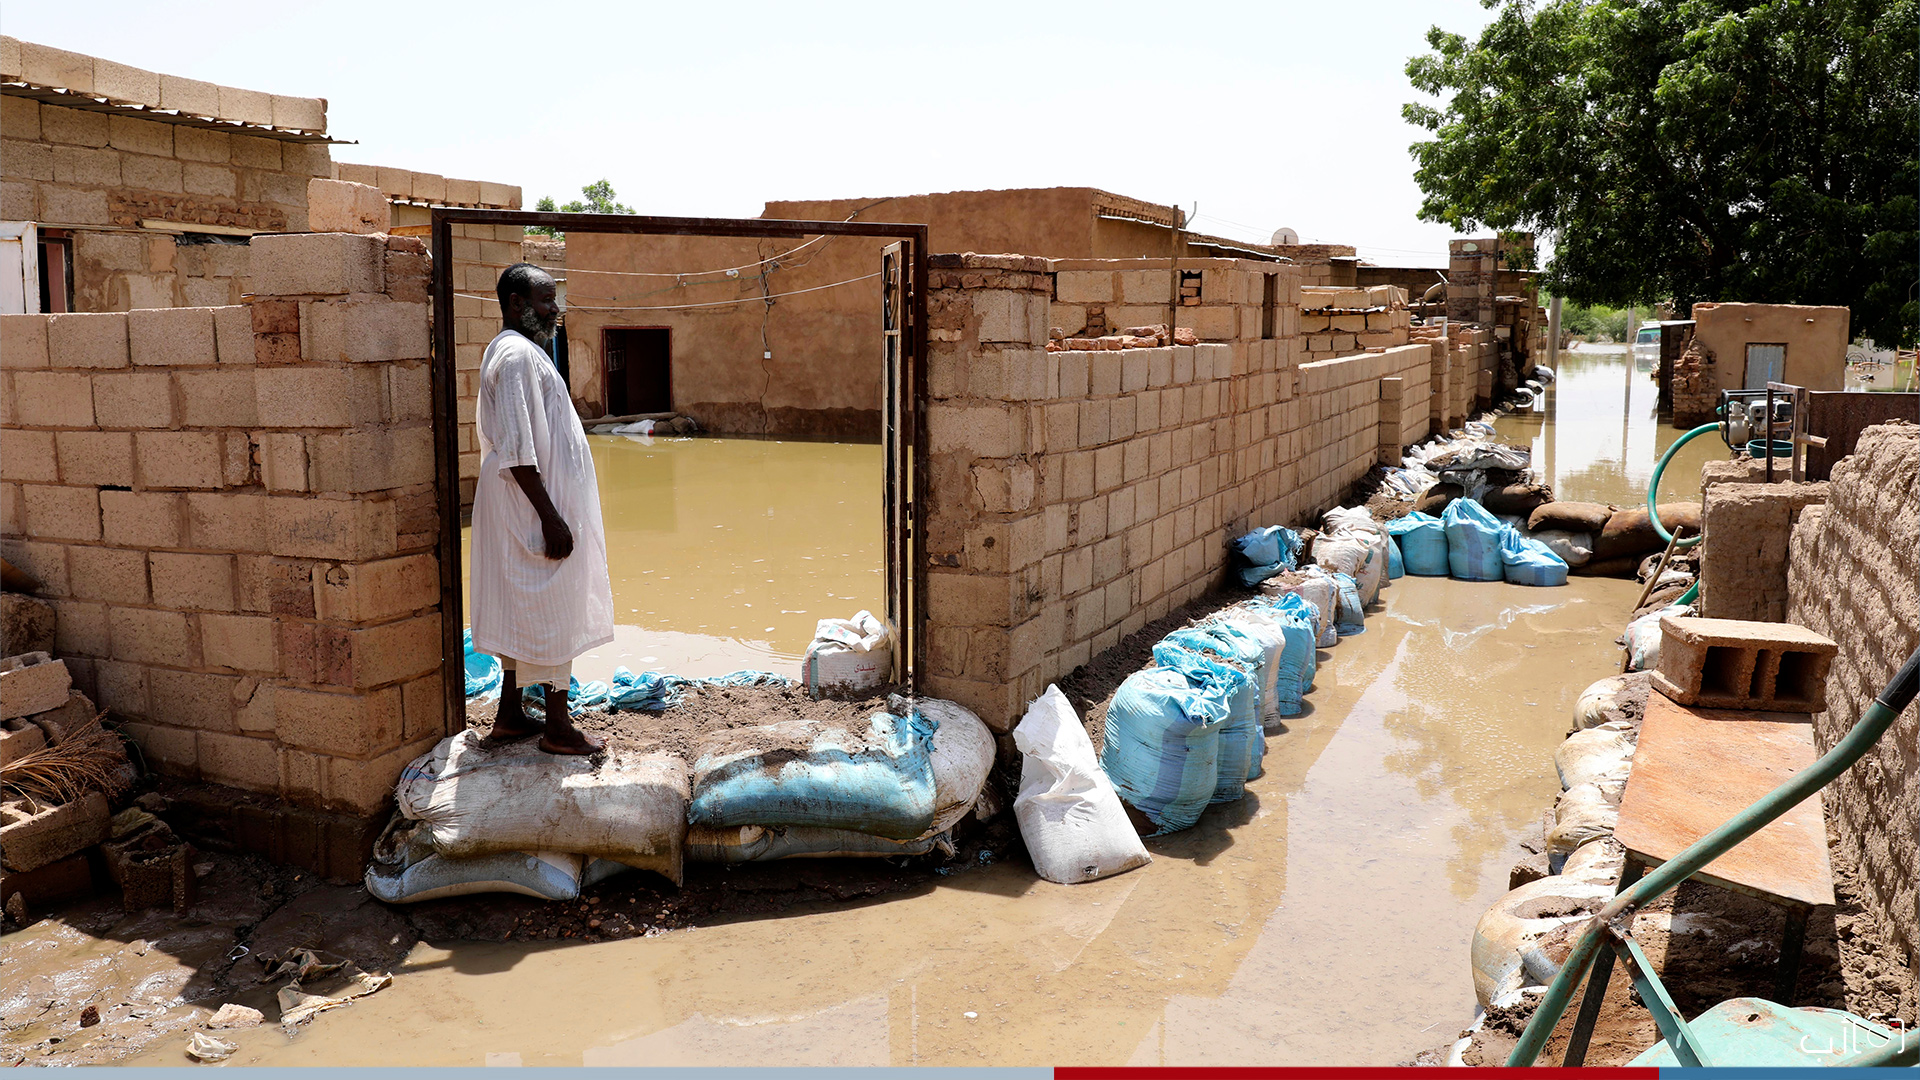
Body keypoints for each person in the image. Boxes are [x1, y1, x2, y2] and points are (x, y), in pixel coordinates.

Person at [469, 263, 613, 754]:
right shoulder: (514, 357)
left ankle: (509, 715)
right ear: (516, 303)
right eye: (546, 300)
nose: (556, 309)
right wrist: (551, 517)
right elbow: (516, 448)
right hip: (527, 506)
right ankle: (557, 727)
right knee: (551, 607)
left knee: (523, 608)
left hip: (523, 502)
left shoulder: (522, 353)